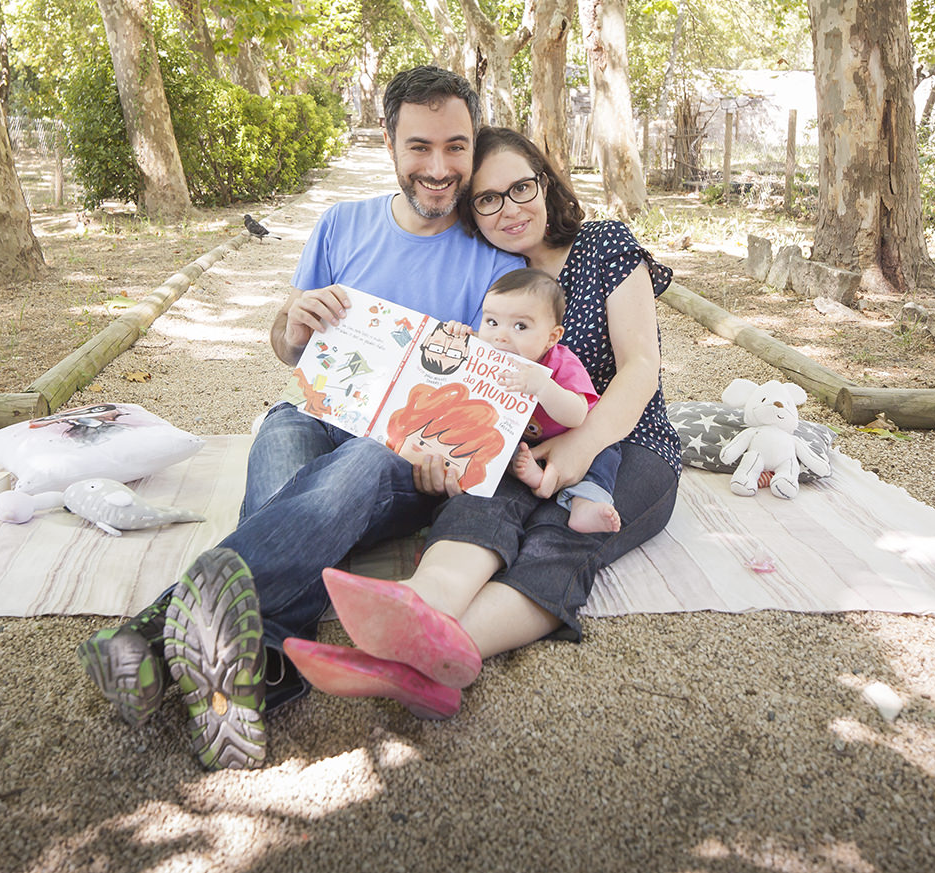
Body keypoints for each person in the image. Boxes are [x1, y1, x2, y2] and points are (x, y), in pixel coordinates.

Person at [75, 67, 521, 770]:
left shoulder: (495, 259)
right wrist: (292, 319)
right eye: (420, 147)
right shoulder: (342, 223)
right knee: (284, 453)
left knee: (363, 463)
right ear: (389, 141)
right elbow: (288, 351)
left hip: (399, 457)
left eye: (456, 147)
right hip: (311, 416)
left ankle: (148, 633)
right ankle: (243, 678)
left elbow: (486, 398)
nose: (439, 168)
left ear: (473, 145)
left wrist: (447, 463)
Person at [282, 125, 682, 720]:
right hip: (520, 445)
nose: (510, 209)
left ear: (546, 181)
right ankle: (418, 606)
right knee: (480, 504)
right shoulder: (489, 275)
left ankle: (435, 658)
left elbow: (642, 368)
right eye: (488, 199)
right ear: (472, 213)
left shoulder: (605, 246)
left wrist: (584, 443)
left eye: (521, 187)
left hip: (622, 445)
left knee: (560, 536)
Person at [478, 267, 623, 535]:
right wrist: (454, 334)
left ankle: (586, 503)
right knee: (496, 444)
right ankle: (533, 476)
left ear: (552, 337)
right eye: (491, 322)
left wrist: (544, 387)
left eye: (520, 326)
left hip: (570, 436)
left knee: (606, 454)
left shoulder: (562, 362)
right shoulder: (490, 356)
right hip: (526, 442)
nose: (500, 336)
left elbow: (577, 414)